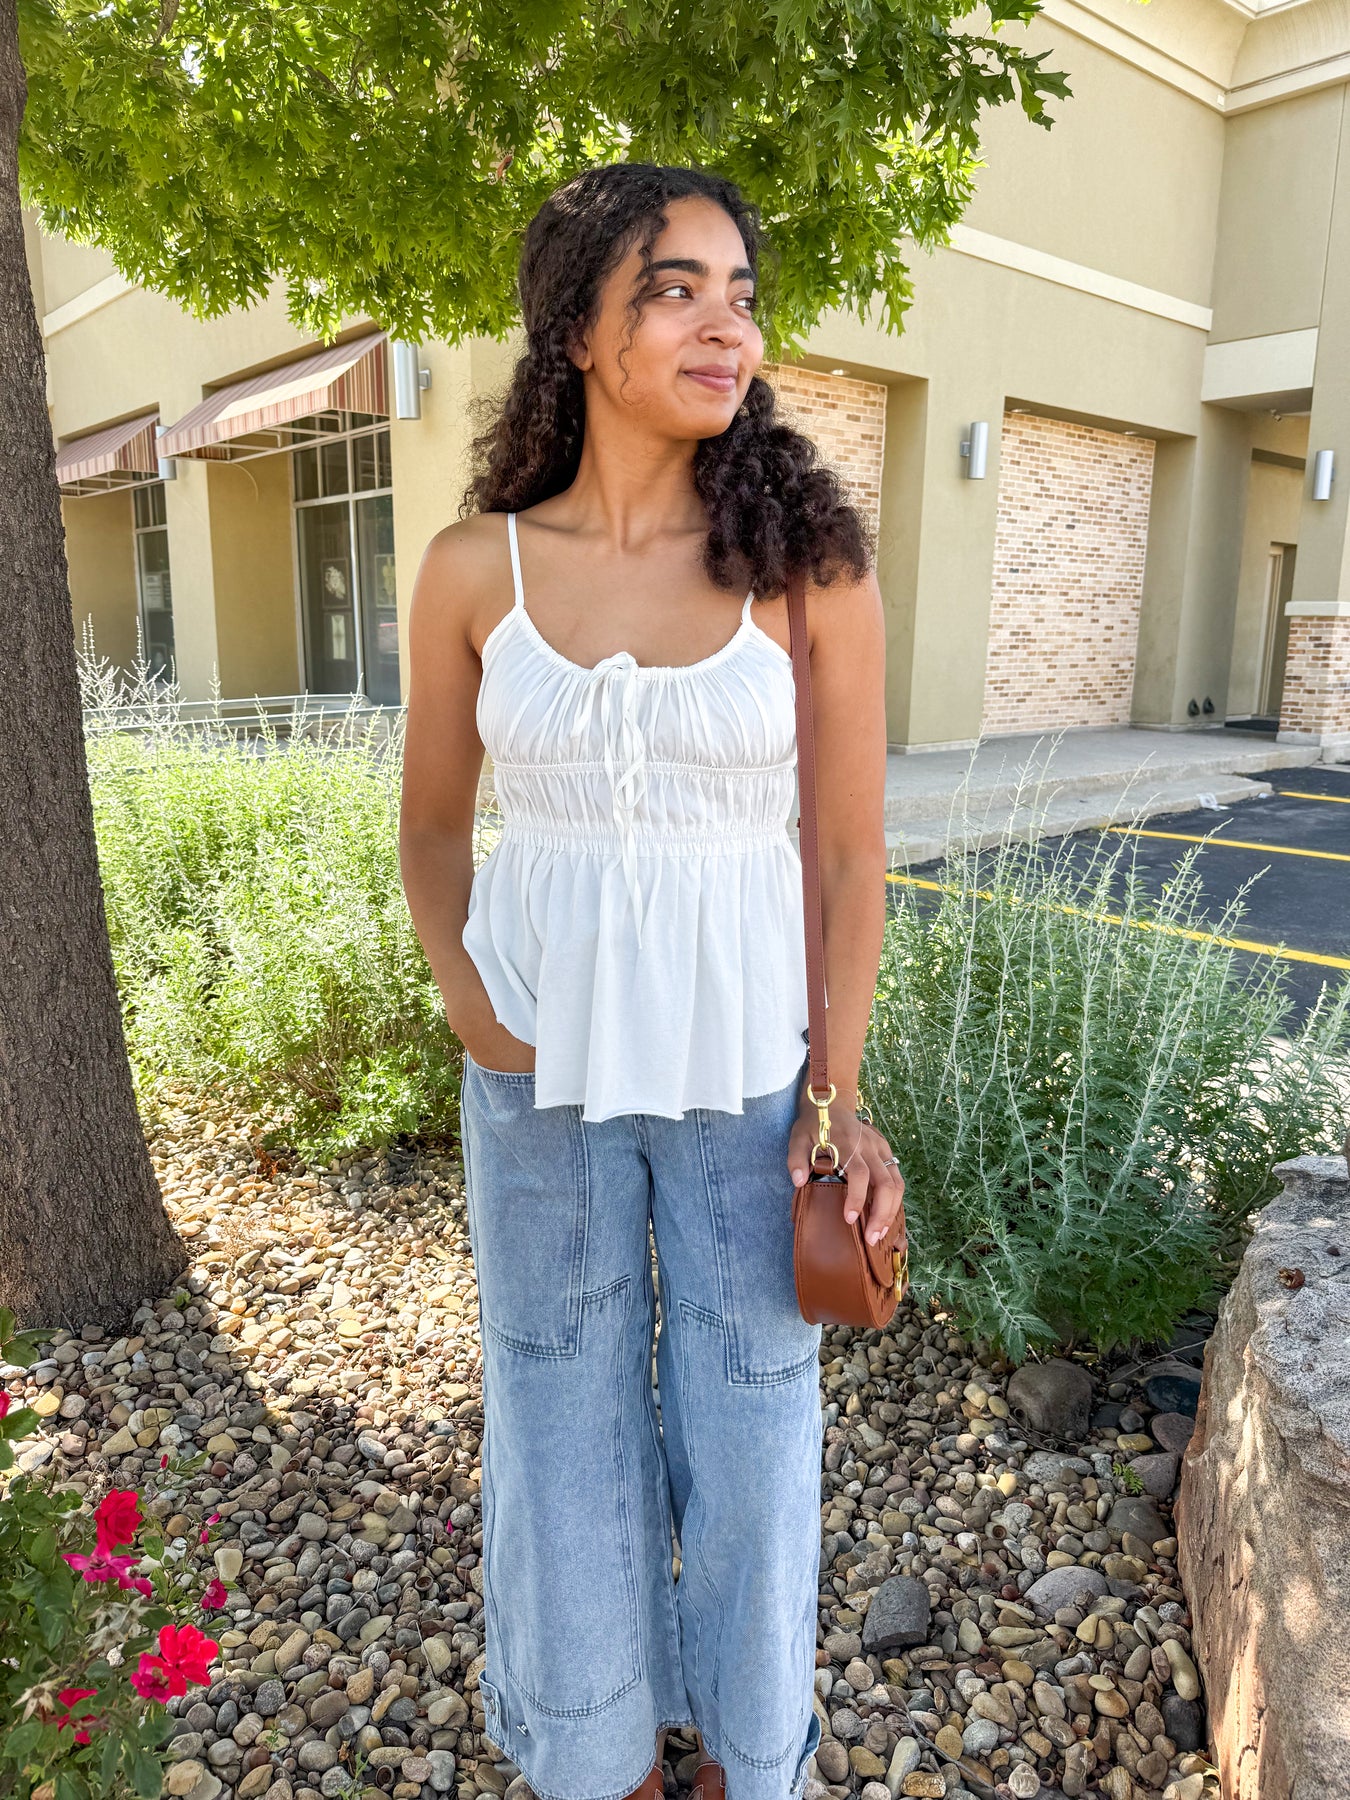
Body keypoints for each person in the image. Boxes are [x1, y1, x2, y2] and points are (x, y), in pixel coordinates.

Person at [399, 161, 902, 1800]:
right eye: (675, 288)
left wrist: (839, 1090)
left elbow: (846, 855)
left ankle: (752, 1757)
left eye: (739, 293)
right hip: (531, 1068)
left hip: (746, 1066)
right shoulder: (473, 568)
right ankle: (597, 1753)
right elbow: (430, 825)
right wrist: (469, 1001)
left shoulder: (805, 564)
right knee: (555, 1405)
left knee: (752, 1413)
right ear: (576, 329)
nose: (724, 325)